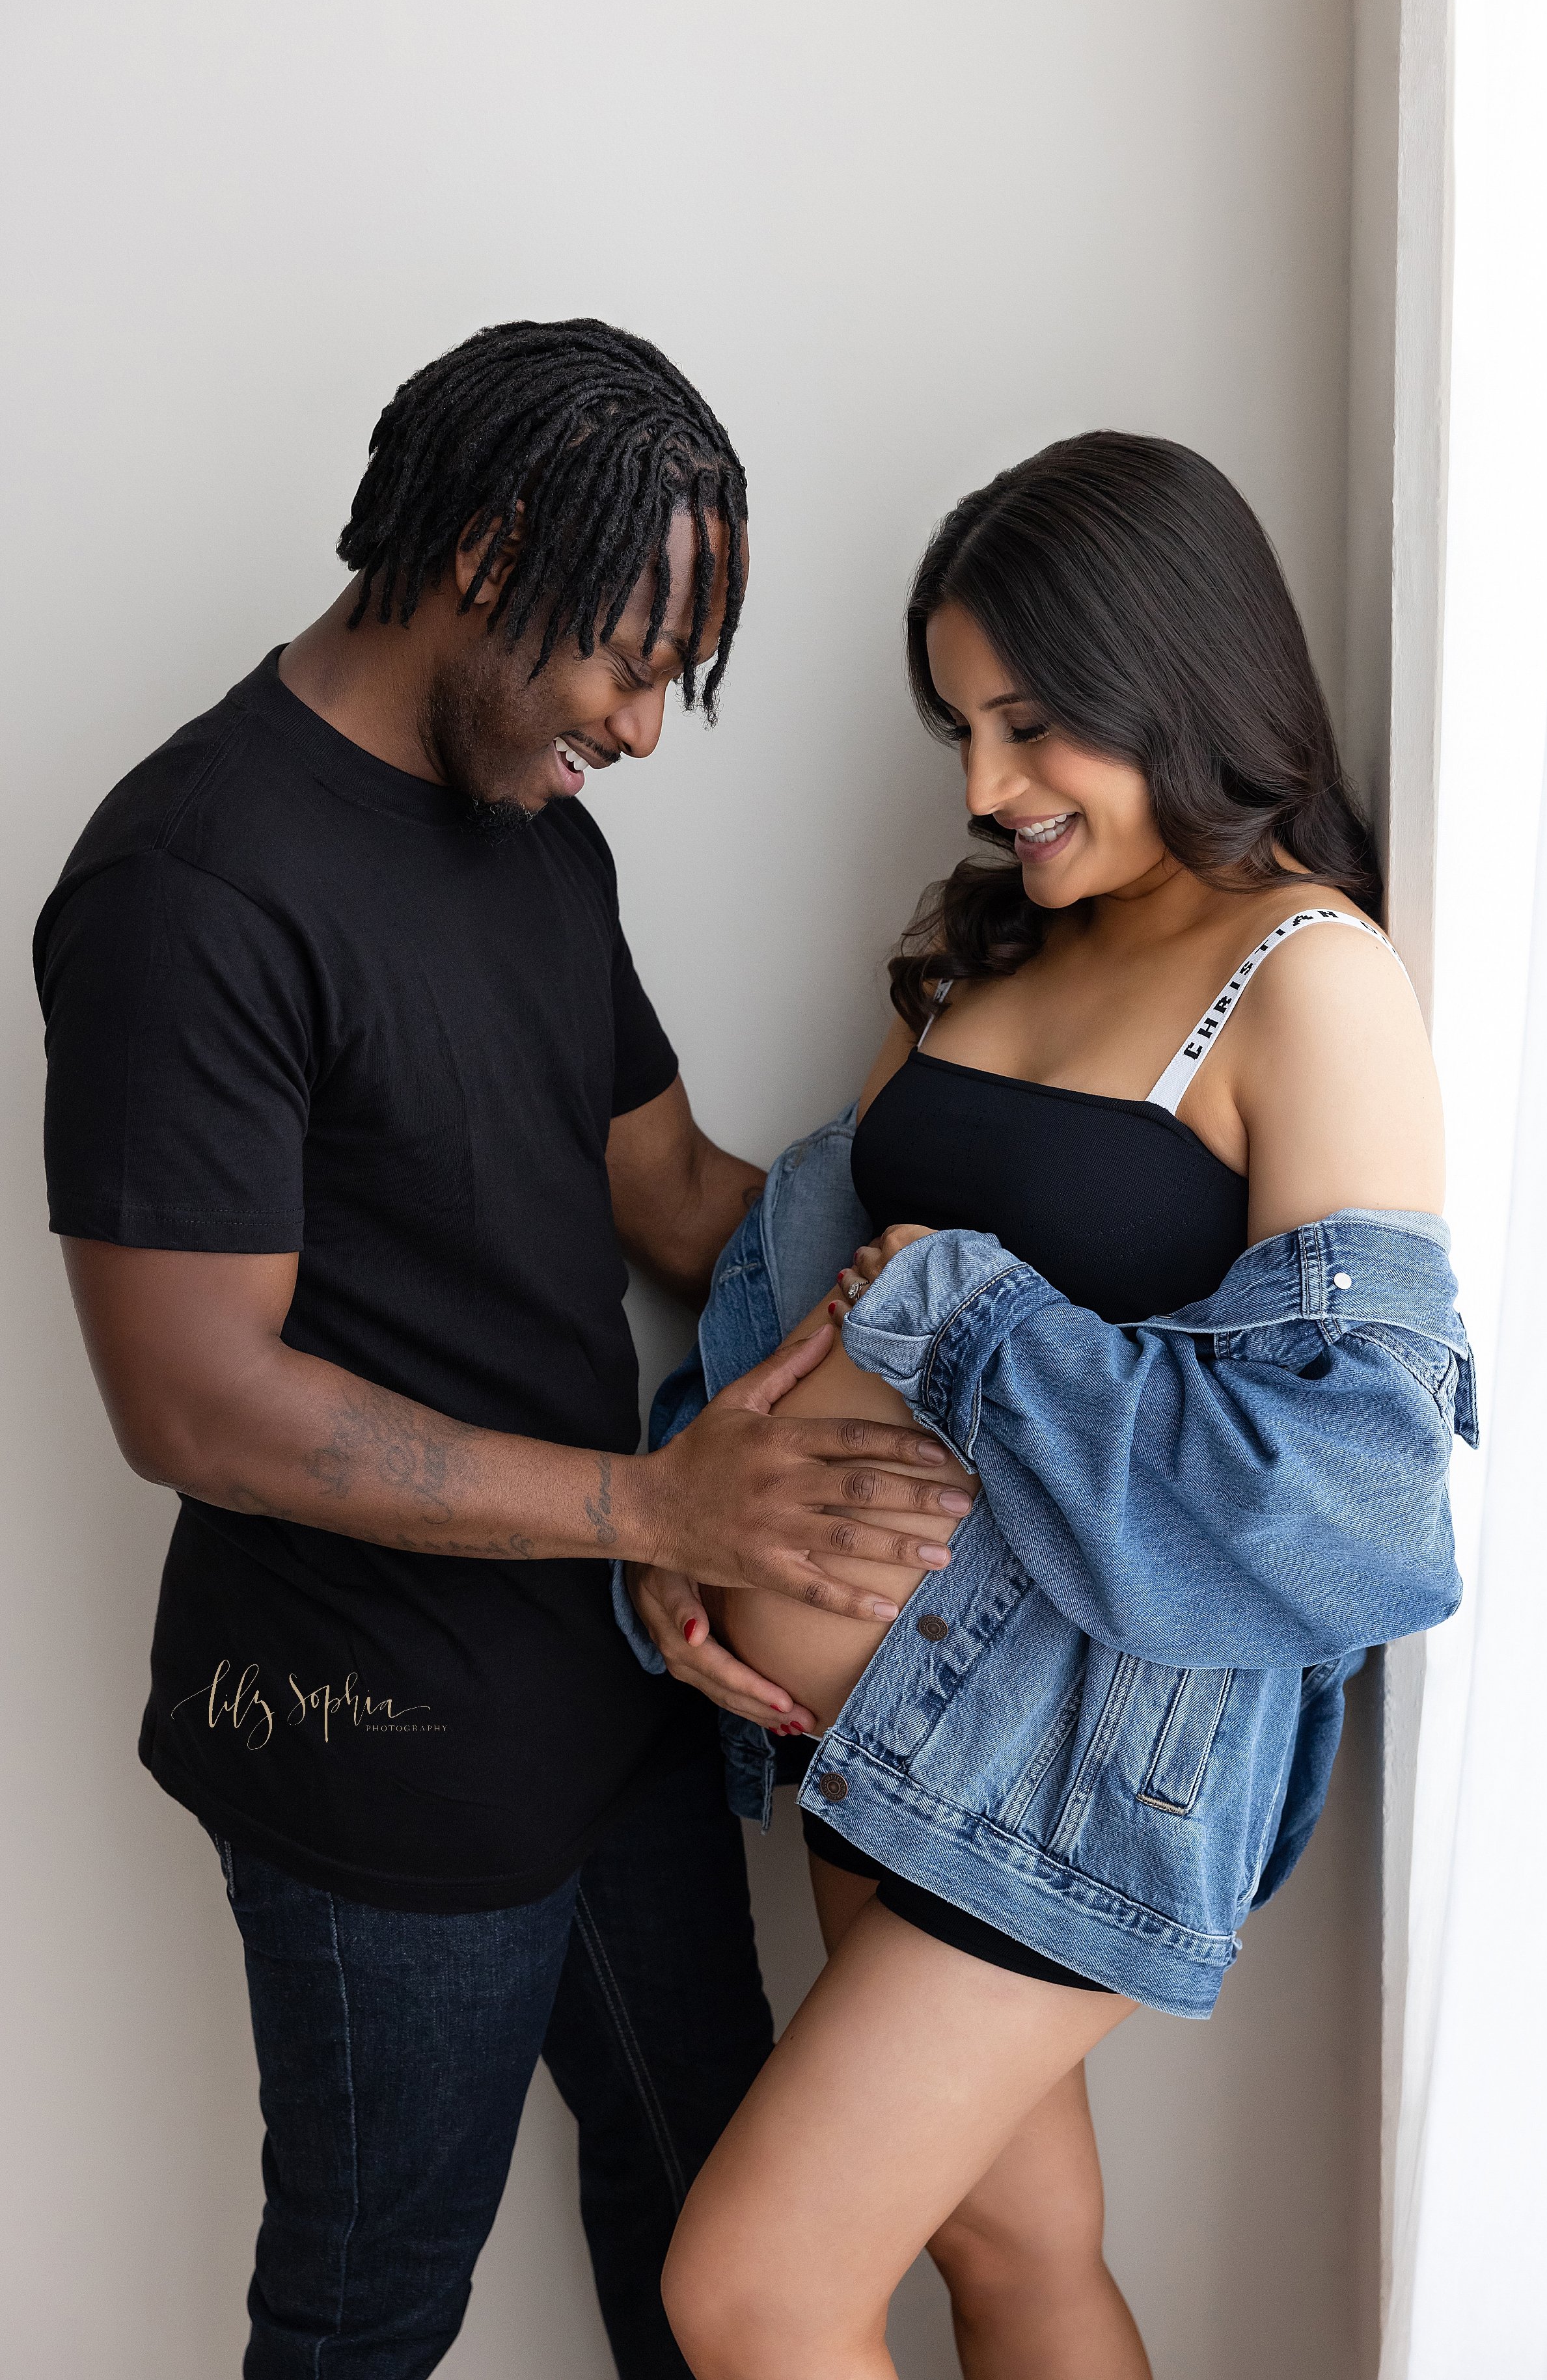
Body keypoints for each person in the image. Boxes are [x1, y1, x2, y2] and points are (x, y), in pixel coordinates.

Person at [33, 316, 975, 2380]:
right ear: (491, 548)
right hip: (367, 1740)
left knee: (710, 2237)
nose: (641, 727)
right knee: (370, 2312)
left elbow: (672, 1198)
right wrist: (657, 1495)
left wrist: (984, 1223)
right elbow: (191, 1398)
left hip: (612, 1684)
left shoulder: (540, 837)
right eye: (629, 661)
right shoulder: (193, 884)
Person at [624, 435, 1476, 2379]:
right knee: (1021, 2250)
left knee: (746, 2292)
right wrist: (689, 1525)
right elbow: (804, 1276)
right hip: (868, 1729)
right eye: (961, 728)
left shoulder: (1305, 976)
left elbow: (1358, 1492)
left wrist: (966, 1309)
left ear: (1171, 678)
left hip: (1065, 1745)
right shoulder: (999, 938)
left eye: (1030, 726)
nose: (988, 786)